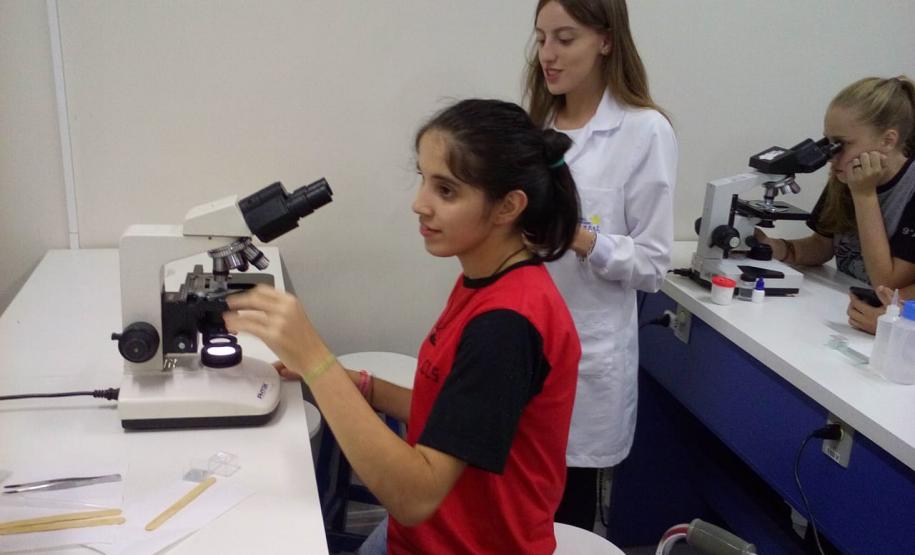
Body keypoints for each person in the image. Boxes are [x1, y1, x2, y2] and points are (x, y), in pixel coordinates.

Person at [224, 99, 583, 555]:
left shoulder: (507, 326)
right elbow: (456, 416)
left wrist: (316, 362)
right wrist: (357, 385)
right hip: (424, 537)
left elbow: (415, 496)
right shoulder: (488, 281)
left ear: (507, 206)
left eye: (446, 191)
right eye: (423, 179)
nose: (419, 204)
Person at [524, 0, 678, 530]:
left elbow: (654, 264)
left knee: (563, 520)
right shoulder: (537, 123)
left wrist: (581, 236)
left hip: (585, 355)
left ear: (606, 40)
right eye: (542, 38)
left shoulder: (644, 132)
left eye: (565, 39)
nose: (548, 54)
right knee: (514, 507)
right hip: (522, 338)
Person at [755, 76, 915, 333]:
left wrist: (864, 195)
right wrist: (776, 248)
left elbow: (887, 284)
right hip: (845, 309)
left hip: (889, 331)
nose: (831, 156)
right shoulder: (847, 174)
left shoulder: (897, 188)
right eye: (829, 143)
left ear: (887, 141)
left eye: (843, 144)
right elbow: (823, 244)